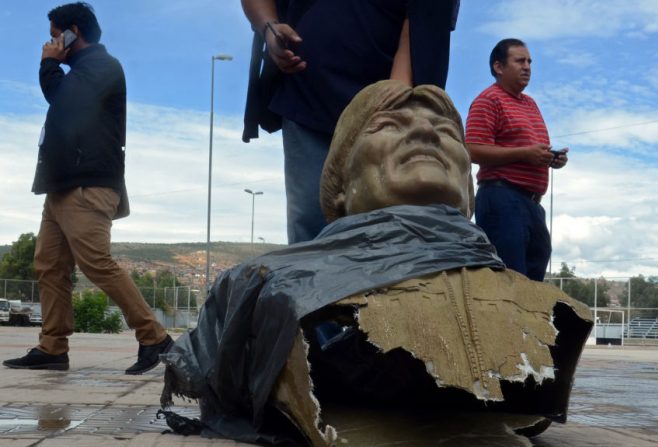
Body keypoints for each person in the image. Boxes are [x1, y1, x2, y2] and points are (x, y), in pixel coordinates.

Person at [161, 81, 592, 444]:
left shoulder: (550, 311)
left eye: (444, 131)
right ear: (341, 187)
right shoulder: (263, 283)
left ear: (467, 186)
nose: (426, 135)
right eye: (389, 126)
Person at [2, 2, 172, 375]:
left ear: (71, 32)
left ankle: (155, 338)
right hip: (61, 187)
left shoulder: (101, 66)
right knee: (49, 264)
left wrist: (48, 63)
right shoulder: (83, 70)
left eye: (53, 36)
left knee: (97, 263)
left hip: (86, 185)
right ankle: (53, 347)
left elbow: (62, 103)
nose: (49, 43)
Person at [240, 0, 459, 244]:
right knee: (312, 226)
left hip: (384, 114)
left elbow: (421, 29)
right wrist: (268, 27)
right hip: (308, 98)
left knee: (386, 227)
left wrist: (390, 110)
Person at [465, 38, 568, 281]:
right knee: (512, 280)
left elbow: (530, 150)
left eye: (530, 61)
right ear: (499, 67)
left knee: (533, 278)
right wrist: (525, 154)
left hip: (531, 203)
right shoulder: (488, 100)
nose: (527, 66)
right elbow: (472, 149)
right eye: (519, 61)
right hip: (502, 199)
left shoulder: (530, 104)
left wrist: (550, 158)